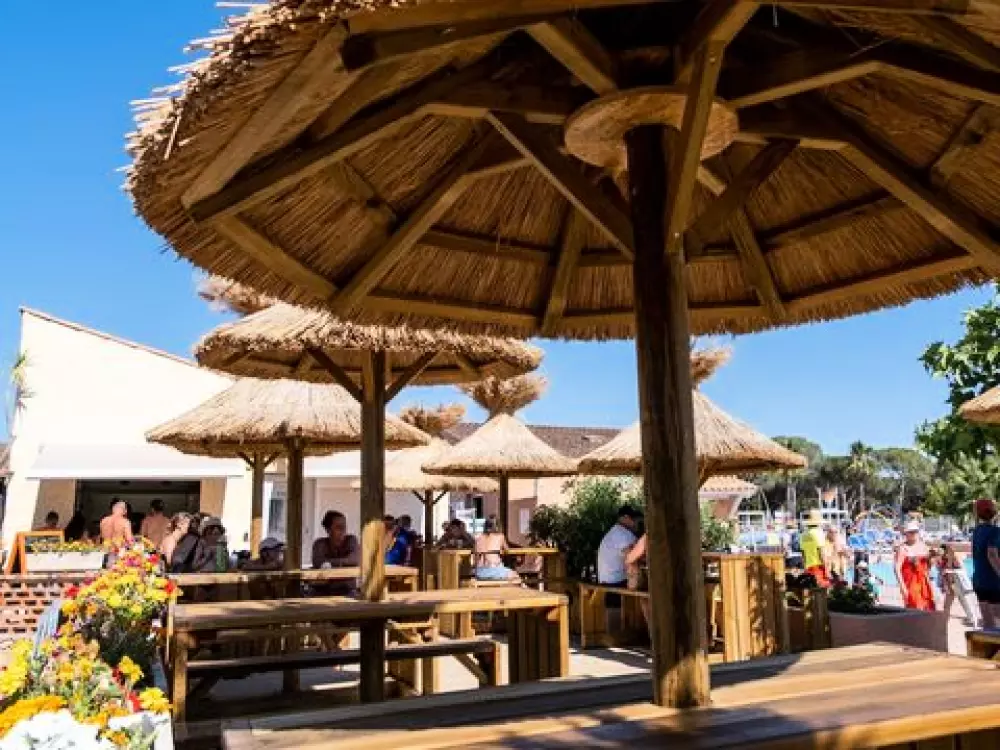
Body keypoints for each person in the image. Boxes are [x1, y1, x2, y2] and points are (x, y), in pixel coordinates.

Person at [312, 510, 360, 595]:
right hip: (322, 591)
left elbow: (355, 560)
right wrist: (344, 562)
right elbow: (318, 562)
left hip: (347, 591)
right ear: (328, 530)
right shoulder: (320, 544)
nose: (343, 531)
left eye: (344, 527)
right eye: (338, 527)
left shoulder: (351, 540)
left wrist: (329, 563)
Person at [895, 519, 935, 611]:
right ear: (906, 533)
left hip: (924, 582)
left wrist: (932, 557)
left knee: (928, 607)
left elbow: (929, 566)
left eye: (915, 531)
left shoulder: (923, 546)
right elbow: (897, 569)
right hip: (911, 584)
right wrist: (902, 587)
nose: (914, 533)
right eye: (911, 532)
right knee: (914, 607)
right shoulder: (903, 548)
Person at [972, 497, 1000, 628]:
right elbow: (992, 555)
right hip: (993, 582)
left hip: (979, 581)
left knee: (988, 623)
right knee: (998, 621)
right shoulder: (995, 531)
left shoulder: (977, 531)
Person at [937, 542, 977, 627]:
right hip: (950, 585)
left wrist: (949, 570)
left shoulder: (955, 558)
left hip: (958, 583)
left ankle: (973, 621)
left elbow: (962, 570)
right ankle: (944, 622)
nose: (942, 554)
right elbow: (941, 572)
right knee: (947, 604)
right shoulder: (942, 560)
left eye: (943, 551)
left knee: (965, 602)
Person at [474, 515, 519, 582]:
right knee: (516, 577)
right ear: (498, 526)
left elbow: (476, 556)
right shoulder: (500, 536)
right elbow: (507, 550)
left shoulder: (479, 538)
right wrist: (501, 550)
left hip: (480, 572)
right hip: (495, 569)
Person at [800, 510, 828, 587]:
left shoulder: (803, 534)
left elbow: (803, 553)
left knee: (811, 589)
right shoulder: (819, 533)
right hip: (818, 566)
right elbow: (821, 552)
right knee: (821, 589)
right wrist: (826, 568)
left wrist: (805, 566)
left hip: (808, 566)